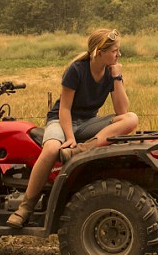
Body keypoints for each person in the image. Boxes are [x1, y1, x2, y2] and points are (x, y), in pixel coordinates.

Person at [7, 28, 139, 227]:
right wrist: (69, 137)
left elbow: (121, 110)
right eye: (115, 51)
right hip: (61, 120)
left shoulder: (110, 72)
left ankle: (83, 150)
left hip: (88, 122)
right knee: (51, 149)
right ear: (99, 52)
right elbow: (65, 109)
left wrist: (117, 77)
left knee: (130, 118)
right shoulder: (76, 69)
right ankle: (25, 207)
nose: (118, 54)